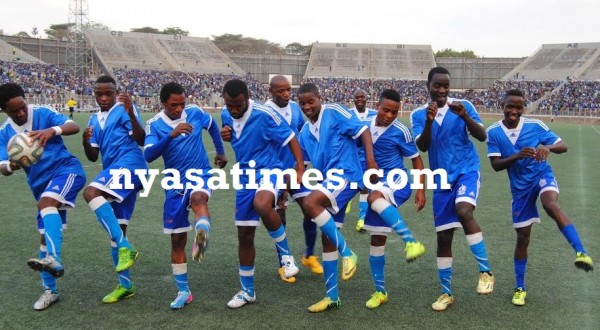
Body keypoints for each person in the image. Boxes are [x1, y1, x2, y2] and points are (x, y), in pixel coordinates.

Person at [486, 89, 593, 306]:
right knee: (523, 237)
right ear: (503, 105)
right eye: (510, 106)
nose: (514, 111)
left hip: (541, 175)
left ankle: (581, 252)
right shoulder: (494, 132)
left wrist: (548, 147)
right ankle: (520, 287)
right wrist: (517, 155)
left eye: (519, 107)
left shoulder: (535, 125)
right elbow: (495, 165)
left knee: (550, 203)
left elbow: (563, 145)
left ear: (524, 108)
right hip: (520, 189)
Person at [411, 67, 494, 312]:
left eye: (446, 86)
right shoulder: (418, 114)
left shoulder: (463, 105)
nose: (442, 90)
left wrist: (465, 116)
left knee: (464, 211)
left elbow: (482, 136)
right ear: (428, 85)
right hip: (441, 180)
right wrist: (428, 122)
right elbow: (423, 146)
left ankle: (486, 272)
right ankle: (446, 293)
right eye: (437, 85)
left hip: (467, 170)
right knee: (444, 237)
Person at [0, 83, 86, 310]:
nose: (21, 113)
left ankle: (54, 258)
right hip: (40, 186)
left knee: (46, 204)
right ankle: (50, 291)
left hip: (67, 171)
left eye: (23, 107)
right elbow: (3, 167)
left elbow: (73, 125)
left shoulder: (43, 113)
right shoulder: (5, 134)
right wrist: (13, 164)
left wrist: (52, 130)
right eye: (14, 111)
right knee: (43, 238)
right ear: (4, 111)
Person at [220, 79, 303, 309]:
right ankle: (247, 291)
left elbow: (291, 138)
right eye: (229, 105)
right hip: (245, 177)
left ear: (247, 98)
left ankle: (287, 257)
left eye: (238, 105)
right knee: (245, 236)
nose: (233, 110)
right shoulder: (226, 115)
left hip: (269, 169)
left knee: (263, 204)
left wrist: (299, 168)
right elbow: (235, 137)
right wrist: (226, 135)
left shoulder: (265, 114)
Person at [144, 82, 228, 309]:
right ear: (162, 103)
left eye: (182, 103)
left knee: (199, 199)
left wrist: (220, 151)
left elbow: (211, 126)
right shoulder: (154, 125)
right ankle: (184, 292)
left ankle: (203, 233)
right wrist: (170, 136)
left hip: (200, 173)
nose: (179, 108)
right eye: (174, 105)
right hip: (174, 184)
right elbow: (149, 155)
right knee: (177, 240)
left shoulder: (195, 112)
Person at [296, 82, 376, 312]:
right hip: (327, 182)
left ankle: (349, 253)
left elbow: (363, 131)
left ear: (319, 98)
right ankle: (332, 296)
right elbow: (302, 165)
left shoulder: (334, 112)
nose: (307, 106)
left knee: (311, 202)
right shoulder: (304, 132)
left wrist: (370, 162)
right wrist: (284, 189)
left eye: (311, 101)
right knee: (327, 237)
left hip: (347, 175)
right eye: (303, 103)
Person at [82, 75, 147, 303]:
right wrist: (84, 140)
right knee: (116, 231)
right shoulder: (93, 119)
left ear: (116, 91)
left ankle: (125, 245)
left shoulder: (123, 109)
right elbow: (92, 157)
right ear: (94, 94)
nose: (104, 97)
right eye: (99, 93)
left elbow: (141, 139)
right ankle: (125, 286)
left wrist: (130, 113)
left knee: (90, 192)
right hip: (117, 172)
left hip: (131, 165)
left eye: (108, 93)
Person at [362, 89, 427, 309]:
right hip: (375, 185)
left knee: (374, 196)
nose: (389, 115)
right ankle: (380, 292)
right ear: (377, 105)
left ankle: (410, 241)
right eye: (385, 110)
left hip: (396, 182)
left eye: (394, 112)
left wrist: (421, 190)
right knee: (377, 240)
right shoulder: (365, 125)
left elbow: (417, 162)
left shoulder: (402, 131)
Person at [264, 75, 322, 283]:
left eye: (289, 90)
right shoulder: (265, 113)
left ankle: (309, 255)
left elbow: (300, 138)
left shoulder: (296, 109)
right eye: (281, 91)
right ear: (270, 91)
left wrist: (302, 165)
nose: (286, 94)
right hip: (274, 172)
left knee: (311, 208)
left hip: (296, 170)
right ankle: (283, 264)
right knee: (280, 217)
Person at [348, 88, 377, 233]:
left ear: (367, 99)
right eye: (357, 97)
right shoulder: (347, 114)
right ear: (353, 100)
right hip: (350, 157)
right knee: (355, 186)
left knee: (366, 187)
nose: (360, 99)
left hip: (367, 157)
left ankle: (361, 219)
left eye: (362, 97)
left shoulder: (374, 114)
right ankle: (348, 199)